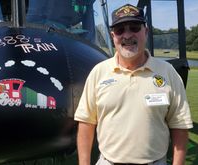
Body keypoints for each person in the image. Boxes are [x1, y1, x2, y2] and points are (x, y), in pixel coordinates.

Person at [74, 3, 193, 165]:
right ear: (112, 36)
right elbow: (86, 123)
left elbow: (180, 125)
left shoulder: (168, 72)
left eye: (134, 27)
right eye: (120, 30)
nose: (127, 35)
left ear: (146, 31)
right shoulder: (99, 72)